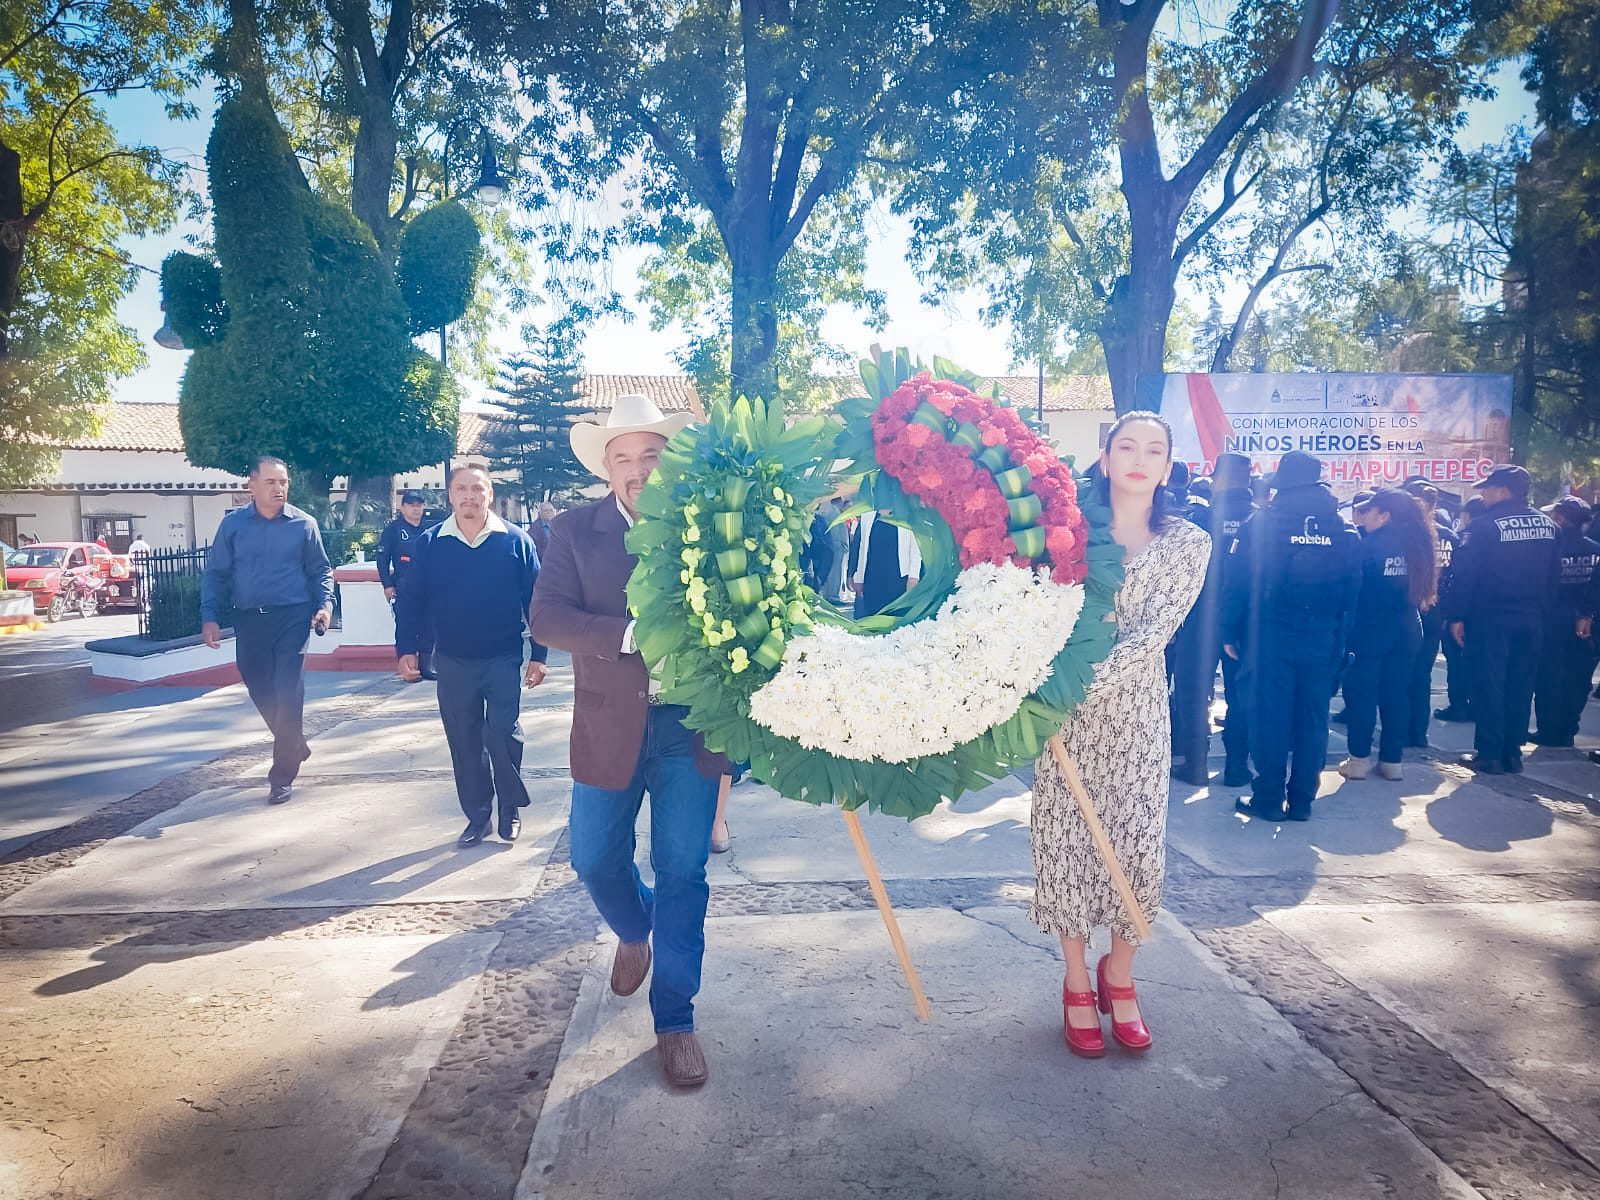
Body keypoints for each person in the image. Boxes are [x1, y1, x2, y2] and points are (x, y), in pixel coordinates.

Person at [529, 393, 729, 1089]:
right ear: (607, 469)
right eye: (625, 458)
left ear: (667, 460)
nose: (639, 469)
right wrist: (621, 635)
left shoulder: (708, 529)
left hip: (688, 728)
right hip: (609, 725)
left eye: (651, 454)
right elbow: (546, 616)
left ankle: (675, 1020)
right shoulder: (575, 532)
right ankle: (635, 928)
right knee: (592, 859)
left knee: (684, 873)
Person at [1030, 411, 1211, 1059]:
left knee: (1135, 845)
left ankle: (1120, 975)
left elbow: (1152, 633)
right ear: (1104, 460)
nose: (1139, 457)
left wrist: (1073, 684)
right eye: (1126, 446)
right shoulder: (1068, 532)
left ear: (1167, 467)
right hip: (1062, 717)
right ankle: (1077, 980)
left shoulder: (1189, 542)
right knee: (1067, 842)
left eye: (1153, 449)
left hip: (1133, 712)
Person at [394, 464, 546, 845]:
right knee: (464, 741)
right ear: (450, 495)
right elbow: (410, 601)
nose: (469, 497)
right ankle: (478, 816)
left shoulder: (515, 541)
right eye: (461, 489)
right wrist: (406, 650)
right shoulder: (431, 543)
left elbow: (537, 601)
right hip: (453, 660)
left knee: (502, 733)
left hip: (502, 656)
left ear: (489, 494)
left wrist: (539, 654)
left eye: (477, 489)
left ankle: (509, 808)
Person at [1222, 451, 1360, 822]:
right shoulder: (1342, 529)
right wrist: (1342, 638)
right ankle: (1302, 801)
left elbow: (1238, 583)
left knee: (1271, 719)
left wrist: (1228, 630)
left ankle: (1268, 797)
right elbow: (1353, 590)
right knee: (1313, 720)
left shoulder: (1263, 523)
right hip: (1324, 638)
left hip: (1271, 638)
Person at [201, 456, 335, 805]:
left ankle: (281, 777)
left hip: (293, 617)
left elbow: (321, 570)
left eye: (284, 482)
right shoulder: (232, 527)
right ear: (252, 485)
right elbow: (216, 574)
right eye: (271, 482)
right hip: (249, 620)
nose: (279, 489)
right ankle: (295, 744)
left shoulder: (304, 525)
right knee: (260, 688)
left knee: (288, 692)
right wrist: (209, 616)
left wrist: (325, 605)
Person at [1445, 465, 1560, 775]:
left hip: (1491, 618)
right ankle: (1512, 753)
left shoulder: (1483, 527)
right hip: (1532, 617)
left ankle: (1490, 754)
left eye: (1488, 488)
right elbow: (1555, 579)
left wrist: (1456, 615)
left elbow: (1465, 576)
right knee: (1521, 686)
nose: (1483, 493)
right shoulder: (1549, 526)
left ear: (1505, 491)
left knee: (1489, 684)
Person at [1337, 489, 1438, 781]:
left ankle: (1359, 759)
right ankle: (1392, 760)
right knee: (1396, 694)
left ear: (1385, 515)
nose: (1362, 517)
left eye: (1368, 511)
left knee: (1361, 694)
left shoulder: (1368, 546)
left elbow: (1354, 588)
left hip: (1370, 629)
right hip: (1407, 627)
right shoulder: (1419, 545)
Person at [1169, 452, 1254, 786]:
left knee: (1193, 691)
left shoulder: (1199, 517)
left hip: (1199, 616)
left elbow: (1179, 572)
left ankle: (1196, 764)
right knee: (1240, 693)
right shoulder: (1259, 520)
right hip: (1244, 622)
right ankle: (1236, 767)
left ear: (1217, 478)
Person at [1531, 496, 1600, 747]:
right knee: (1578, 679)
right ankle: (1568, 728)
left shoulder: (1548, 550)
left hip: (1552, 622)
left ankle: (1548, 730)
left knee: (1548, 677)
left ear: (1560, 519)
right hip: (1587, 624)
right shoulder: (1595, 550)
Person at [1403, 480, 1460, 745]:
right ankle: (1418, 733)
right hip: (1437, 612)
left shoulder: (1405, 534)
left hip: (1409, 611)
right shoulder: (1449, 535)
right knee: (1421, 674)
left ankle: (1403, 733)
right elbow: (1456, 576)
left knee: (1401, 674)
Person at [377, 490, 434, 679]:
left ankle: (426, 668)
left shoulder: (429, 529)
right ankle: (408, 670)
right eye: (411, 505)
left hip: (427, 587)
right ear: (402, 508)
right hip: (403, 587)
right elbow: (382, 559)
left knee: (429, 626)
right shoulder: (393, 530)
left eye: (419, 505)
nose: (416, 509)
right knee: (405, 627)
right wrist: (387, 585)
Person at [851, 508, 921, 617]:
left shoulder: (906, 512)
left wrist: (913, 576)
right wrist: (859, 578)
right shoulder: (868, 515)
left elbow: (915, 549)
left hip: (898, 579)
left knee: (896, 620)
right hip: (872, 578)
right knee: (873, 618)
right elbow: (863, 548)